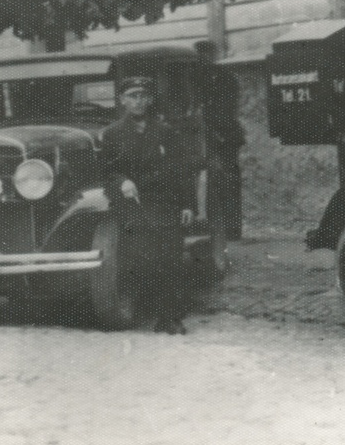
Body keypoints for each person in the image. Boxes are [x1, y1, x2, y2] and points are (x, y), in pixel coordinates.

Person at [100, 76, 192, 335]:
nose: (138, 101)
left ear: (150, 100)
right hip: (135, 206)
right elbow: (106, 172)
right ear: (122, 101)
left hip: (166, 204)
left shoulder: (165, 131)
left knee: (172, 259)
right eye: (132, 96)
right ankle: (153, 312)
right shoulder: (113, 134)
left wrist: (187, 205)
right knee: (147, 261)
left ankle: (171, 318)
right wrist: (123, 181)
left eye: (142, 96)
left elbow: (181, 170)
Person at [193, 40, 245, 241]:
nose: (205, 59)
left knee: (228, 180)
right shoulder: (192, 77)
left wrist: (215, 129)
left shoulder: (225, 77)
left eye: (208, 54)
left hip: (225, 135)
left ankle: (232, 229)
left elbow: (228, 108)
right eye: (201, 55)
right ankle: (207, 225)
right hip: (201, 133)